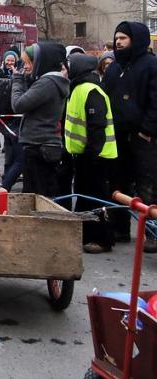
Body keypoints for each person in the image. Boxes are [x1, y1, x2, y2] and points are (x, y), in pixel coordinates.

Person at [103, 21, 157, 252]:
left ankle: (153, 232)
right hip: (117, 136)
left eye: (123, 38)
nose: (118, 42)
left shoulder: (151, 65)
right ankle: (120, 228)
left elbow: (156, 102)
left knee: (149, 186)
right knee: (118, 183)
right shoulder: (114, 68)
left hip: (143, 137)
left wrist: (147, 131)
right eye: (117, 38)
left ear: (136, 39)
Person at [65, 53, 118, 253]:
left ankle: (102, 239)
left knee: (96, 198)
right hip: (86, 155)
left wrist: (91, 155)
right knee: (85, 196)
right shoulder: (78, 88)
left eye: (69, 66)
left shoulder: (90, 90)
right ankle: (86, 234)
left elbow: (97, 127)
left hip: (98, 156)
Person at [11, 42, 69, 197]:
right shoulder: (51, 81)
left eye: (28, 63)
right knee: (43, 194)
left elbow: (18, 105)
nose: (25, 67)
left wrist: (17, 80)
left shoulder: (47, 83)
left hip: (39, 147)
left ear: (41, 62)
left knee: (35, 197)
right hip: (44, 146)